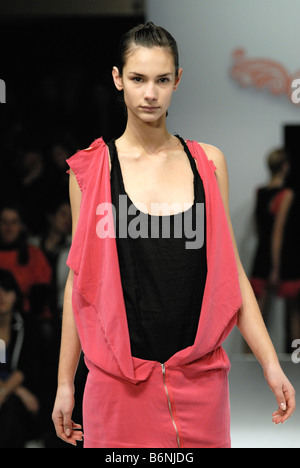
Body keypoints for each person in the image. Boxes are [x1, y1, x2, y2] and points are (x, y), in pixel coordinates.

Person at [52, 23, 296, 448]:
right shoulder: (88, 172)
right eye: (138, 79)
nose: (150, 93)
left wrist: (271, 364)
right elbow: (80, 282)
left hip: (200, 384)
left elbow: (230, 273)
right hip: (116, 388)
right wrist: (65, 384)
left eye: (162, 80)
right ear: (117, 79)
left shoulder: (208, 162)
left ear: (178, 80)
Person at [0, 269, 41, 448]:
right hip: (13, 392)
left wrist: (5, 392)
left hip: (19, 391)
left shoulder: (26, 324)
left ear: (16, 294)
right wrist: (15, 390)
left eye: (7, 291)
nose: (1, 297)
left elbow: (25, 367)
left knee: (13, 405)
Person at [250, 149, 292, 319]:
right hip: (274, 257)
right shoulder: (285, 194)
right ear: (284, 166)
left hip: (260, 254)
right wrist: (276, 267)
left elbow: (258, 226)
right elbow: (277, 233)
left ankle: (250, 348)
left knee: (256, 316)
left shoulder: (260, 192)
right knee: (293, 313)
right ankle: (296, 347)